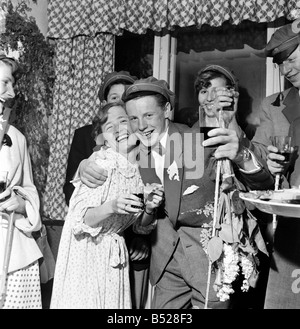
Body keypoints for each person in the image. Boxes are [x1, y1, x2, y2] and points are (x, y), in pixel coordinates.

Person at [78, 77, 274, 309]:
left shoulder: (196, 139)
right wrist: (86, 163)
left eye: (149, 115)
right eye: (133, 118)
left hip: (209, 262)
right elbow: (104, 150)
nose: (141, 125)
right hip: (165, 264)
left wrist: (241, 153)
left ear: (168, 110)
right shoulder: (132, 150)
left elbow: (260, 183)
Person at [50, 102, 164, 309]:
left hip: (113, 253)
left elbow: (140, 226)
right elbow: (80, 219)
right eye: (110, 127)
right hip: (86, 253)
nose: (119, 130)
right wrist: (111, 206)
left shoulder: (141, 171)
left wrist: (149, 208)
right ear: (103, 138)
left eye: (123, 121)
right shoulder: (101, 163)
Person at [63, 70, 151, 309]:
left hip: (125, 246)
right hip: (90, 248)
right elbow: (77, 205)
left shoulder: (146, 154)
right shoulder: (95, 150)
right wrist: (83, 168)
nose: (121, 104)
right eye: (115, 99)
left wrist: (139, 234)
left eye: (127, 101)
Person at [248, 19, 300, 309]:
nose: (287, 70)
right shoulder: (274, 105)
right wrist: (264, 160)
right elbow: (258, 159)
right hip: (294, 222)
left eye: (291, 59)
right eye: (281, 64)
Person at [0, 55, 43, 309]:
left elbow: (30, 189)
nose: (12, 92)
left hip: (15, 253)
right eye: (5, 82)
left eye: (13, 84)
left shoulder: (17, 138)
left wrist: (22, 204)